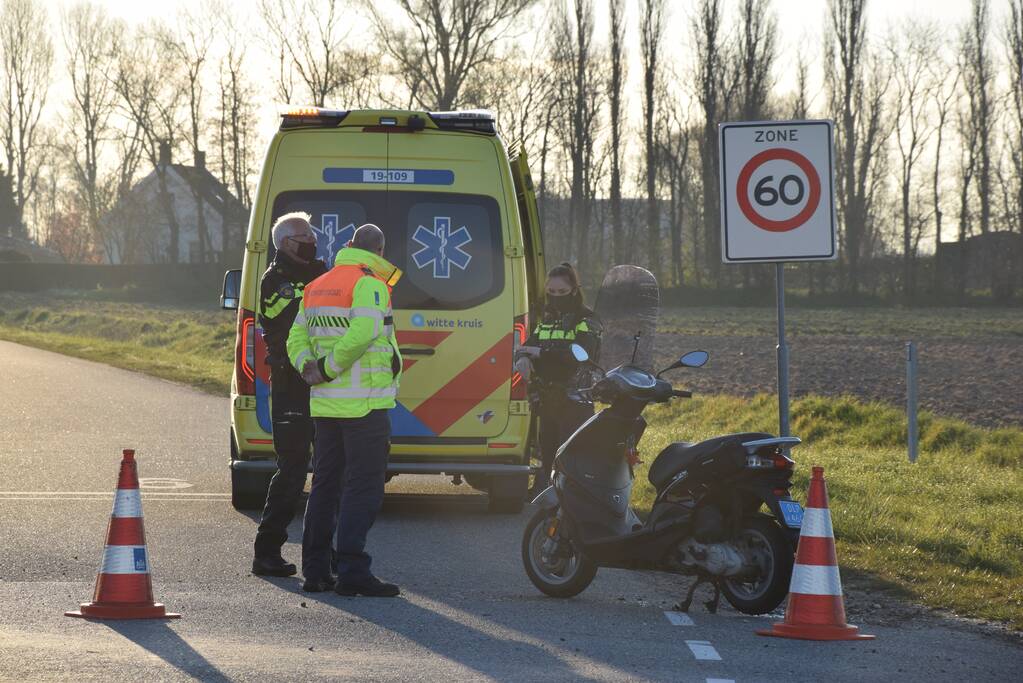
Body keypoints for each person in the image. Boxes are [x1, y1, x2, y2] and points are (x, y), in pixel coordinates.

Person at [287, 223, 403, 596]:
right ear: (380, 252)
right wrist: (327, 368)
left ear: (349, 245)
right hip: (364, 405)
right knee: (362, 488)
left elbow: (296, 336)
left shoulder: (317, 285)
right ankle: (352, 571)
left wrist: (308, 367)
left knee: (325, 486)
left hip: (325, 405)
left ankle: (315, 571)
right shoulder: (370, 284)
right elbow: (363, 333)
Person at [251, 212, 327, 577]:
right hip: (291, 386)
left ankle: (323, 555)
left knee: (329, 469)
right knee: (293, 469)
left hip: (323, 384)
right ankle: (267, 552)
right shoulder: (275, 281)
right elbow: (301, 314)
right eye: (304, 236)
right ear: (285, 243)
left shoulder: (319, 274)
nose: (312, 240)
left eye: (312, 234)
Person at [516, 262, 602, 495]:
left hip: (575, 400)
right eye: (551, 292)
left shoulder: (587, 319)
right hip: (547, 398)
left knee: (570, 457)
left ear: (574, 290)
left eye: (562, 291)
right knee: (548, 453)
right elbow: (527, 345)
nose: (555, 297)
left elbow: (579, 356)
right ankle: (546, 496)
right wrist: (522, 357)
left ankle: (571, 499)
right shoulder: (547, 319)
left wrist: (541, 353)